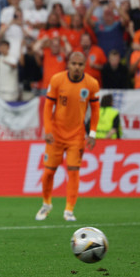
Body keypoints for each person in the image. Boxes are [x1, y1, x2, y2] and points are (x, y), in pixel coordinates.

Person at [35, 52, 100, 222]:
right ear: (68, 64)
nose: (77, 67)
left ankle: (69, 210)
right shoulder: (57, 80)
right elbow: (48, 106)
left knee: (73, 171)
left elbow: (95, 111)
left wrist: (92, 133)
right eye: (74, 63)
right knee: (48, 172)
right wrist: (48, 130)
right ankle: (46, 204)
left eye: (80, 64)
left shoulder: (91, 84)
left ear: (84, 65)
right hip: (56, 135)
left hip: (76, 136)